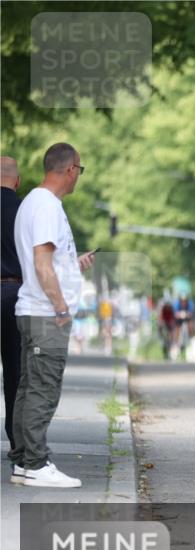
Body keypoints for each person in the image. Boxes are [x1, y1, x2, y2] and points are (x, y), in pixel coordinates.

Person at [9, 142, 95, 487]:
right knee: (43, 390)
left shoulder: (33, 202)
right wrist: (60, 308)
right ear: (71, 169)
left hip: (33, 310)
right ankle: (35, 463)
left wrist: (72, 267)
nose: (78, 177)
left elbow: (45, 262)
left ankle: (22, 462)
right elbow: (42, 265)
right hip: (45, 314)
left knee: (28, 388)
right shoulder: (46, 207)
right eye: (80, 170)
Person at [1, 156, 23, 461]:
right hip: (15, 293)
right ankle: (17, 443)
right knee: (16, 372)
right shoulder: (23, 210)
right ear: (17, 181)